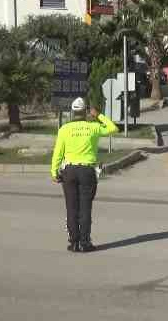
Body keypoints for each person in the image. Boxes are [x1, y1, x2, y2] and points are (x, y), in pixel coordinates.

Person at [51, 97, 119, 253]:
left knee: (71, 207)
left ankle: (74, 242)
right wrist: (98, 115)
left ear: (72, 112)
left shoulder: (64, 129)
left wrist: (54, 171)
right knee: (85, 208)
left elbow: (58, 153)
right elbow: (113, 128)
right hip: (87, 171)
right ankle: (85, 242)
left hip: (69, 172)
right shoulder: (93, 127)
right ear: (86, 111)